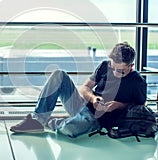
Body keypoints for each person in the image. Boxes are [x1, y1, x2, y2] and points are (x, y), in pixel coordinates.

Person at [10, 42, 147, 138]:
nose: (116, 73)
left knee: (70, 130)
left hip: (98, 120)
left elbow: (141, 106)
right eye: (113, 68)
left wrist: (119, 105)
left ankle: (53, 121)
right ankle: (37, 120)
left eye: (121, 71)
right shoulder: (105, 66)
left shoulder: (137, 82)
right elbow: (85, 87)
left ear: (131, 66)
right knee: (59, 74)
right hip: (84, 107)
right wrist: (93, 98)